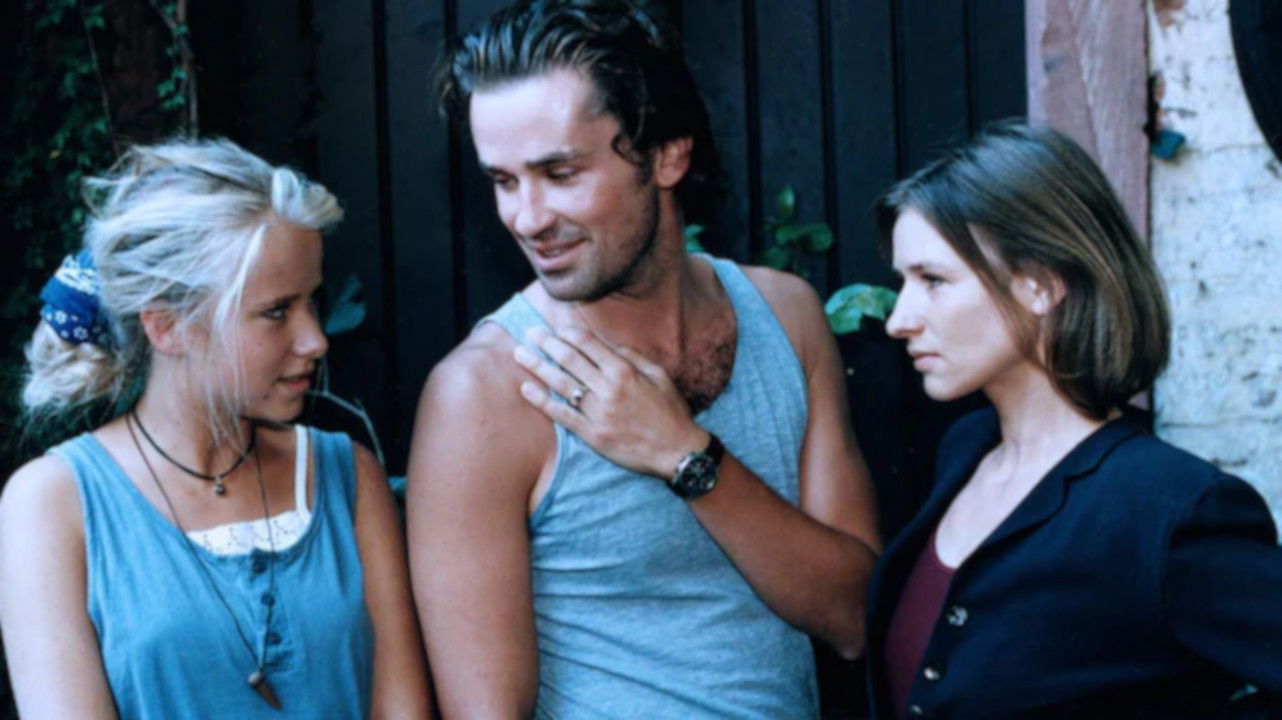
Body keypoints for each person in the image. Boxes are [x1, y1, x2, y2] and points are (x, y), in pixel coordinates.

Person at [408, 1, 881, 717]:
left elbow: (856, 620)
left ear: (667, 155)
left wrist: (685, 455)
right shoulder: (484, 393)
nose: (527, 218)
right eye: (503, 181)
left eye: (560, 172)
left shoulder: (785, 318)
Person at [0, 138, 432, 719]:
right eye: (277, 311)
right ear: (168, 327)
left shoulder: (345, 475)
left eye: (312, 301)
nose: (314, 340)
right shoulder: (54, 502)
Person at [865, 121, 1282, 719]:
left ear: (1040, 285)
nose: (898, 320)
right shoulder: (964, 451)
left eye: (933, 280)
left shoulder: (1168, 506)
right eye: (903, 282)